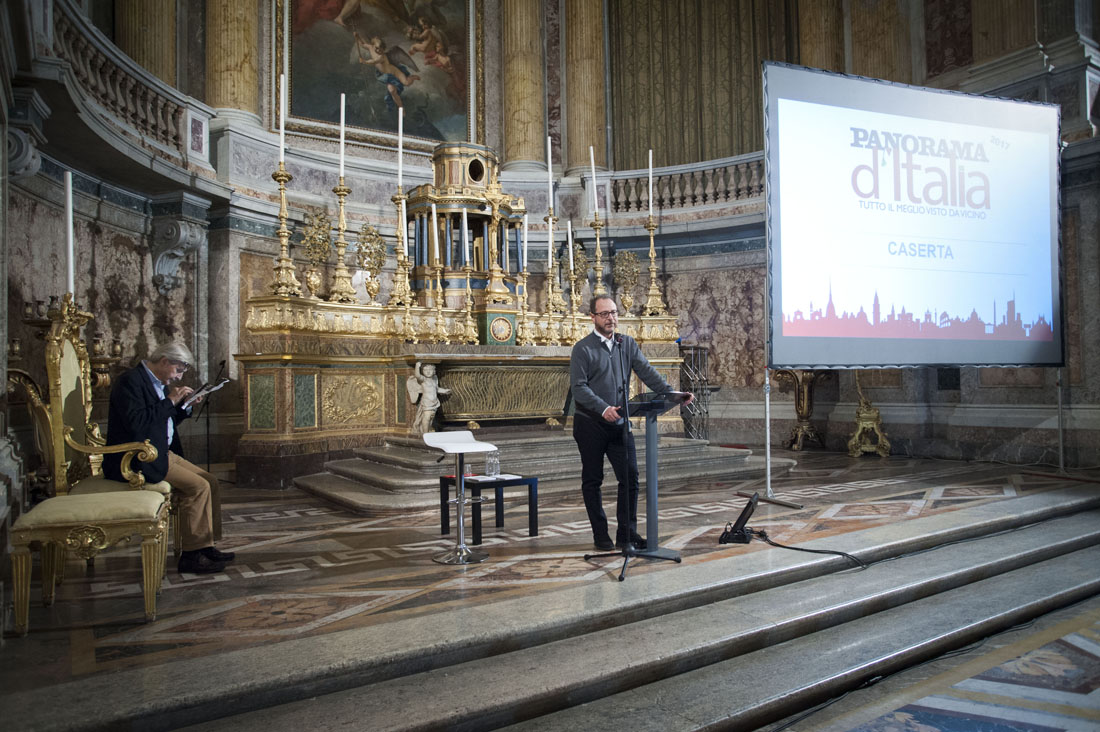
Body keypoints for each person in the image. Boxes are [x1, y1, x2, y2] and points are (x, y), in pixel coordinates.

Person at [570, 295, 694, 551]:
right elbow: (579, 388)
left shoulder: (626, 344)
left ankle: (627, 534)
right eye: (604, 313)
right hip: (590, 423)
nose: (610, 318)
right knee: (593, 480)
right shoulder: (582, 349)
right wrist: (603, 408)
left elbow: (647, 372)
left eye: (613, 313)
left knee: (631, 477)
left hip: (619, 423)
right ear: (592, 317)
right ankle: (600, 535)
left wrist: (673, 395)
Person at [104, 343, 234, 575]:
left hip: (161, 451)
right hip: (139, 458)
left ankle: (207, 544)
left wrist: (183, 407)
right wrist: (170, 401)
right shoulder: (130, 382)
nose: (179, 376)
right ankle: (192, 555)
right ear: (165, 361)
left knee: (210, 481)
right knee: (198, 487)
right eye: (179, 369)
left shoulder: (156, 383)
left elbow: (163, 421)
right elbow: (137, 424)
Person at [407, 361, 450, 434]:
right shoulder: (423, 380)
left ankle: (428, 429)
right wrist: (417, 366)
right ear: (422, 371)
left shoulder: (434, 380)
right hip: (427, 402)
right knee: (426, 418)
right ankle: (425, 433)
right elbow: (417, 375)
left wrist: (444, 391)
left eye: (430, 370)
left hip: (434, 402)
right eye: (425, 370)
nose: (428, 372)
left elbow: (436, 389)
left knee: (431, 418)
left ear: (434, 371)